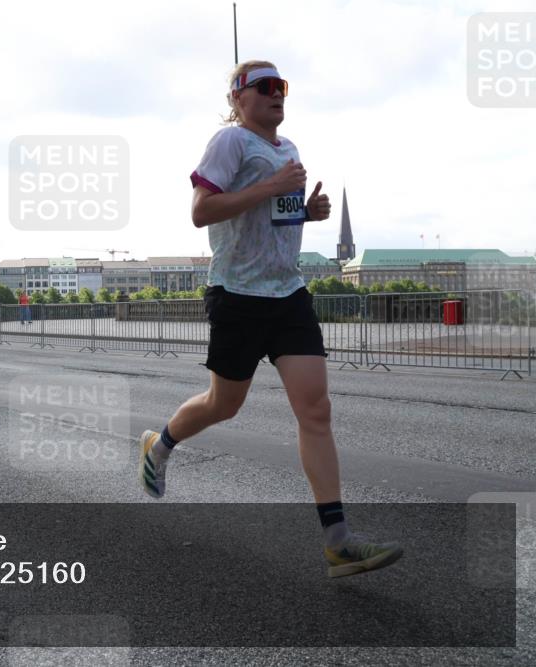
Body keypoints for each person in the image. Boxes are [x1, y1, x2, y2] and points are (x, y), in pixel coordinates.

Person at [137, 60, 402, 579]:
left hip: (288, 294)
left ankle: (338, 543)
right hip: (237, 295)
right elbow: (202, 211)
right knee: (223, 404)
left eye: (282, 86)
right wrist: (272, 185)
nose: (277, 94)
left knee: (316, 410)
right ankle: (160, 442)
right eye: (265, 87)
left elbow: (276, 215)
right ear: (238, 97)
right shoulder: (230, 141)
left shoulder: (289, 150)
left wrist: (307, 210)